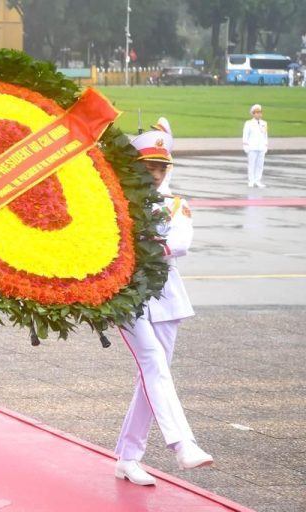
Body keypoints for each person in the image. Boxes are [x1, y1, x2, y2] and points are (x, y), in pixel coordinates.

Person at [114, 130, 213, 486]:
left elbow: (181, 242)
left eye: (160, 166)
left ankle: (128, 456)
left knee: (153, 377)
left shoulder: (175, 204)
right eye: (148, 166)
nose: (155, 173)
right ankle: (182, 443)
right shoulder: (115, 202)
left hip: (167, 295)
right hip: (126, 294)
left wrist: (139, 242)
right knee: (153, 363)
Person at [242, 104, 268, 188]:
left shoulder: (264, 123)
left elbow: (265, 135)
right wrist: (245, 146)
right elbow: (245, 135)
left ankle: (258, 180)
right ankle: (251, 180)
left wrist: (265, 145)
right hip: (252, 147)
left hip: (261, 147)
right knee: (252, 164)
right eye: (257, 112)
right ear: (253, 114)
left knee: (260, 165)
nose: (259, 114)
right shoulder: (248, 123)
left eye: (260, 112)